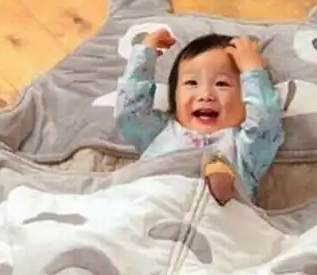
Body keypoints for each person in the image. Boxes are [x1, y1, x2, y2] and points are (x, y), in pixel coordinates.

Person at [114, 28, 284, 205]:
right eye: (191, 83)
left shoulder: (246, 148)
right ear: (175, 96)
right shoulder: (158, 131)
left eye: (222, 84)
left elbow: (266, 120)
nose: (205, 95)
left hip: (210, 217)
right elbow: (128, 110)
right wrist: (144, 55)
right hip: (146, 207)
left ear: (246, 97)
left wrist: (253, 71)